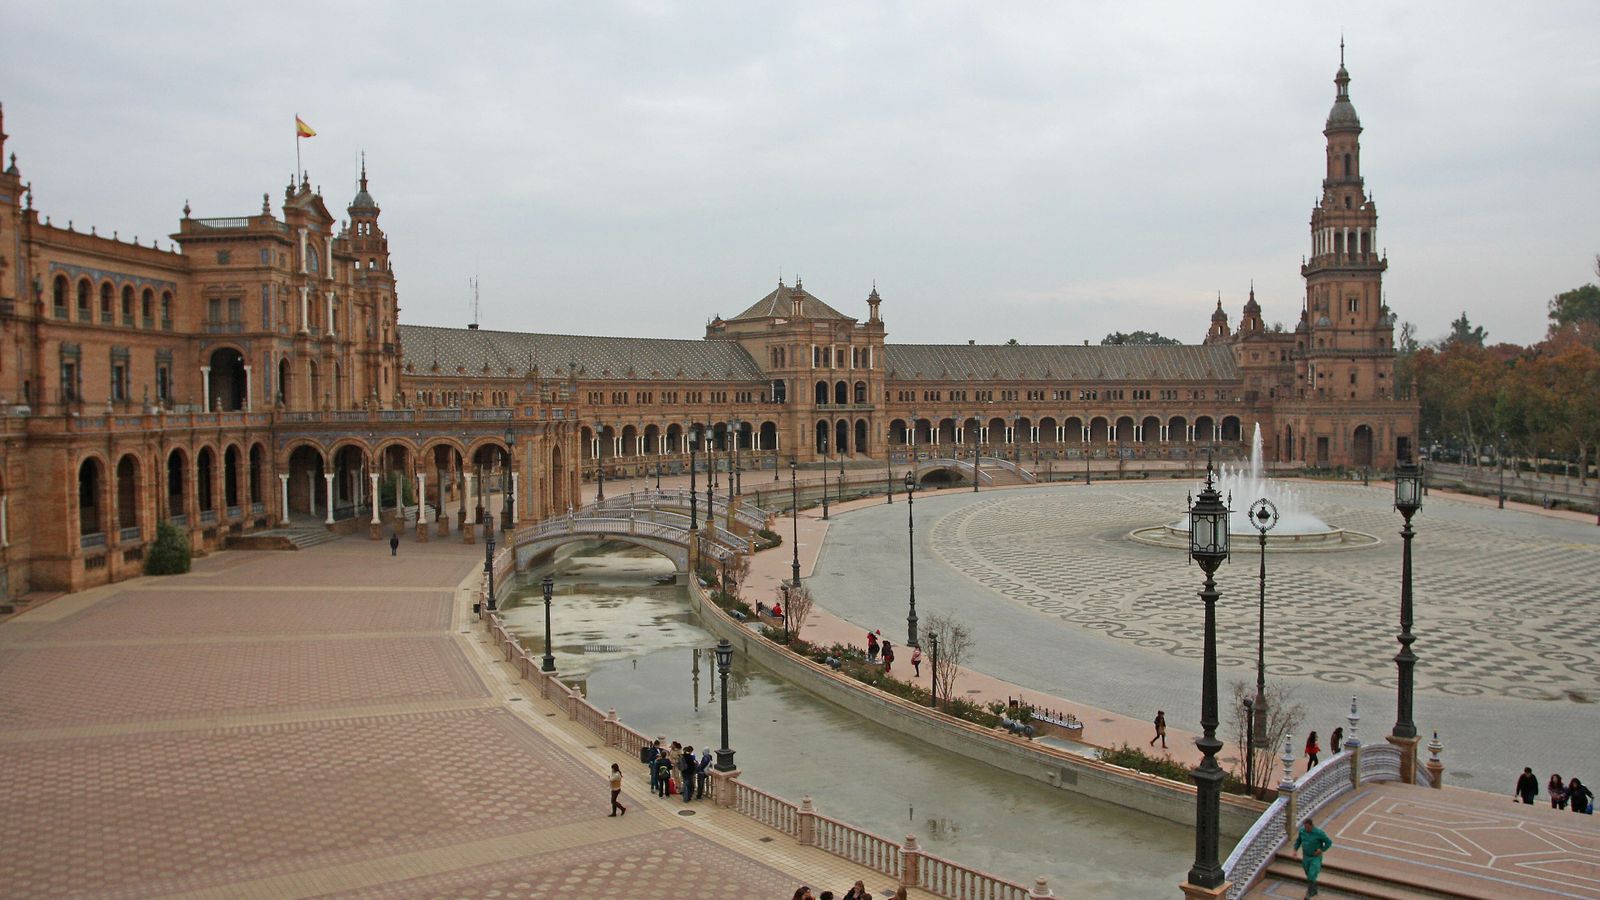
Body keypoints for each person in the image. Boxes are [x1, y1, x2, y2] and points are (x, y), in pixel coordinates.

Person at [1294, 817, 1333, 896]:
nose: (1306, 829)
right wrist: (1295, 850)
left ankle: (1309, 893)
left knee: (1312, 874)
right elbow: (1299, 841)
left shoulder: (1319, 833)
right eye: (1305, 827)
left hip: (1315, 857)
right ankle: (1314, 890)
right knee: (1308, 873)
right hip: (1306, 856)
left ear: (1311, 826)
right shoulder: (1302, 831)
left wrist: (1321, 850)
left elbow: (1329, 842)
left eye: (1307, 827)